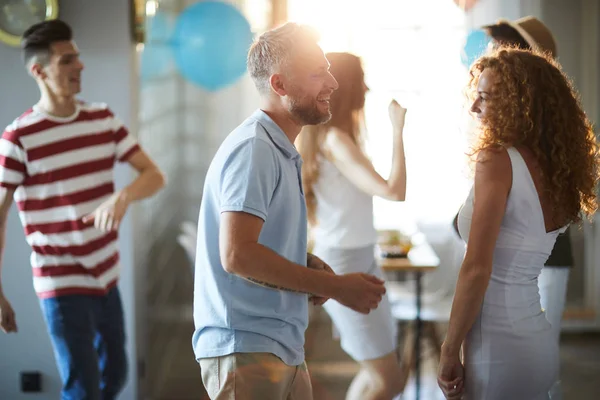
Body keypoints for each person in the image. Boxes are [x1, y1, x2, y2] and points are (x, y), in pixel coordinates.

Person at [192, 23, 387, 400]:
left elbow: (253, 244)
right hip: (246, 348)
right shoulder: (255, 149)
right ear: (279, 85)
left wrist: (305, 261)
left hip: (277, 345)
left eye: (328, 69)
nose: (332, 82)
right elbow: (237, 254)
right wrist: (336, 287)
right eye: (317, 73)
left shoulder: (277, 147)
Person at [0, 20, 166, 399]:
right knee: (83, 388)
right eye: (67, 60)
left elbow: (155, 175)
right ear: (39, 71)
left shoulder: (102, 119)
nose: (80, 66)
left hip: (106, 274)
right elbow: (0, 213)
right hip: (60, 281)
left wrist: (121, 197)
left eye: (79, 57)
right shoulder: (18, 138)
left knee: (118, 374)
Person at [438, 47, 599, 400]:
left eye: (485, 97)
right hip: (535, 337)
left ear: (519, 102)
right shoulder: (558, 168)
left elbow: (477, 268)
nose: (474, 107)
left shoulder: (496, 160)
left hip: (496, 343)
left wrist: (448, 349)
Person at [453, 16, 573, 342]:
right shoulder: (511, 146)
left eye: (501, 48)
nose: (494, 56)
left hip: (540, 267)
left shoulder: (545, 144)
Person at [297, 52, 407, 400]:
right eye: (362, 80)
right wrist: (398, 129)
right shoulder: (335, 140)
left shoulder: (336, 137)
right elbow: (394, 191)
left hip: (359, 257)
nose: (368, 88)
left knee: (381, 374)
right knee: (387, 380)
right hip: (344, 264)